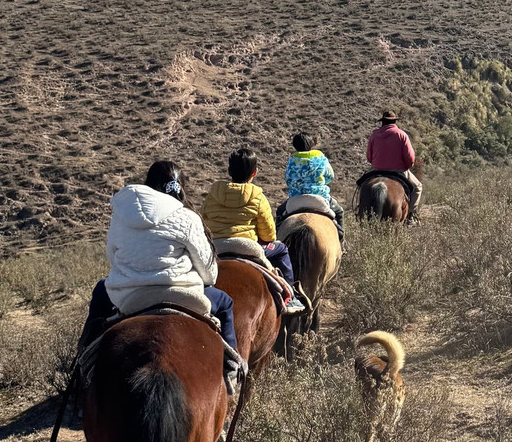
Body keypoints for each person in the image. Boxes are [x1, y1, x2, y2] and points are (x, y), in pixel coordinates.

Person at [81, 160, 237, 353]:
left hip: (129, 294)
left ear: (148, 184)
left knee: (99, 293)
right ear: (181, 187)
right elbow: (210, 275)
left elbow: (112, 258)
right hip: (180, 292)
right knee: (225, 303)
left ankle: (82, 356)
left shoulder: (121, 215)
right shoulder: (188, 217)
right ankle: (233, 368)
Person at [202, 147, 306, 313]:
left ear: (229, 171)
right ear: (254, 172)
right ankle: (290, 296)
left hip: (215, 248)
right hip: (246, 247)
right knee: (281, 250)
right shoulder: (257, 196)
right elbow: (269, 235)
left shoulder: (213, 194)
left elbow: (203, 222)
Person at [284, 132, 345, 246]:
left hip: (296, 198)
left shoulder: (292, 160)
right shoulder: (320, 157)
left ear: (295, 146)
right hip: (320, 197)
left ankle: (277, 242)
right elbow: (330, 176)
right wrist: (319, 182)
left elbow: (288, 180)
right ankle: (341, 241)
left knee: (279, 214)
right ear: (311, 144)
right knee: (339, 211)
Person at [365, 111, 422, 218]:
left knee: (362, 185)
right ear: (395, 121)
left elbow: (369, 157)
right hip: (398, 171)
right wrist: (406, 166)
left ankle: (360, 208)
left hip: (377, 170)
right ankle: (411, 215)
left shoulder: (374, 135)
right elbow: (410, 159)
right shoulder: (402, 135)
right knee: (417, 187)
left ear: (382, 122)